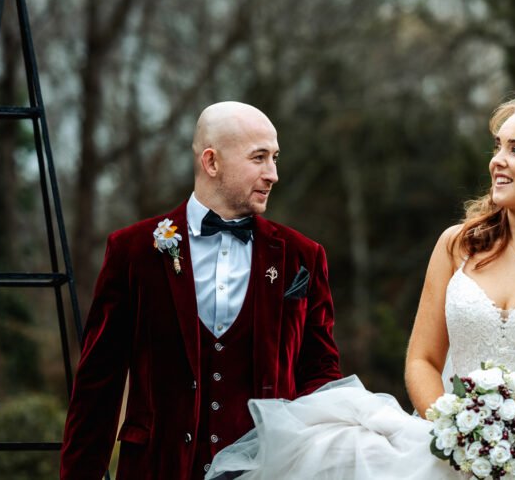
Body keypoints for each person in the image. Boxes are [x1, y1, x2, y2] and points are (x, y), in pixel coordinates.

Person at [205, 90, 515, 480]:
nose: (498, 161)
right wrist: (459, 438)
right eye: (498, 146)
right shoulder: (458, 245)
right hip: (453, 453)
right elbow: (422, 360)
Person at [60, 102, 342, 480]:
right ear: (211, 162)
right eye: (258, 158)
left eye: (275, 158)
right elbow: (99, 382)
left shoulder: (302, 257)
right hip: (157, 469)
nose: (273, 174)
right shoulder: (133, 251)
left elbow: (321, 373)